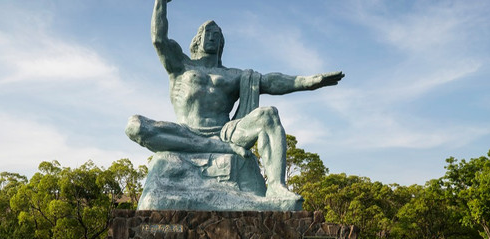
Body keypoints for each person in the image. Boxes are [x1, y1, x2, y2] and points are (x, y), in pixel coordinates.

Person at [126, 0, 344, 201]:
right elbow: (159, 39)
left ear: (222, 43)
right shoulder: (181, 66)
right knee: (135, 126)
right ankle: (214, 147)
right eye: (208, 32)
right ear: (198, 39)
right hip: (186, 131)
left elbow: (270, 81)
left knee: (268, 114)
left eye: (217, 34)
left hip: (226, 132)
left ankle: (277, 186)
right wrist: (160, 2)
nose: (212, 37)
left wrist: (307, 81)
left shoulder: (233, 75)